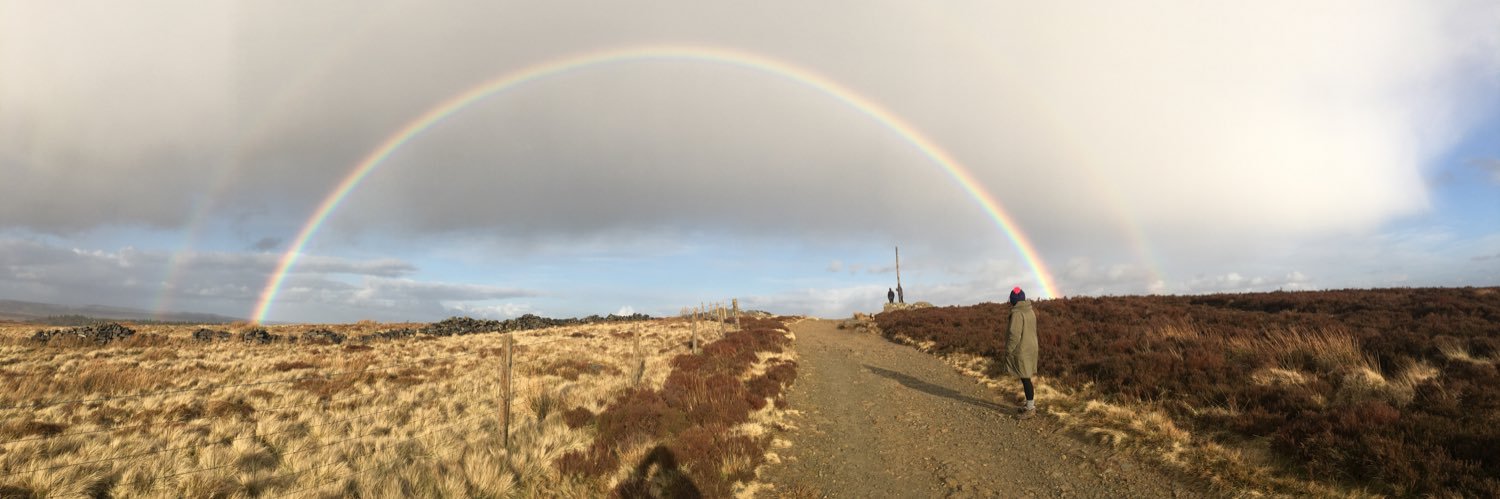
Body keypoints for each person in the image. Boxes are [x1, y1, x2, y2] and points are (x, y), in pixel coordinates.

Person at [1006, 286, 1038, 419]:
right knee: (1026, 377)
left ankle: (1030, 408)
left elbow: (1014, 334)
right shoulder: (1030, 311)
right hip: (1031, 347)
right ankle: (1029, 404)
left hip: (1022, 349)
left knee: (1025, 378)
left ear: (1013, 300)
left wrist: (1008, 349)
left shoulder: (1017, 313)